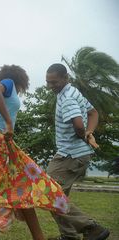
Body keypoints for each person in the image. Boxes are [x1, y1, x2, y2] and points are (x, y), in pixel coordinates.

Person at [0, 65, 69, 240]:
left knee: (22, 188)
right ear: (20, 80)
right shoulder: (8, 83)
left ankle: (39, 237)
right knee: (2, 192)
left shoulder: (1, 96)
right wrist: (7, 122)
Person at [45, 63, 110, 240]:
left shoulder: (67, 98)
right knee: (58, 197)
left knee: (47, 193)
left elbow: (78, 124)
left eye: (54, 82)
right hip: (78, 154)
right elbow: (93, 113)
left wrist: (83, 133)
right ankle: (69, 236)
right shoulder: (72, 92)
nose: (51, 86)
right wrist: (90, 133)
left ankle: (91, 227)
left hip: (70, 155)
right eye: (48, 82)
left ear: (66, 78)